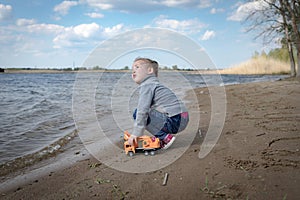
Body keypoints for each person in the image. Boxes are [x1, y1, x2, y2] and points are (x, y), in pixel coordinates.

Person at [128, 57, 189, 150]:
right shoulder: (155, 85)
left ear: (149, 70)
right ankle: (162, 138)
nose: (133, 71)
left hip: (175, 120)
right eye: (132, 69)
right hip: (182, 118)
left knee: (138, 113)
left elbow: (142, 111)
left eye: (137, 67)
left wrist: (136, 134)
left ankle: (165, 138)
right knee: (148, 112)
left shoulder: (147, 85)